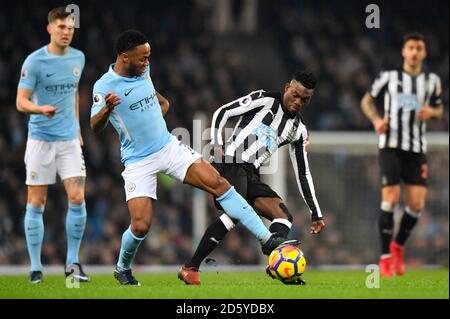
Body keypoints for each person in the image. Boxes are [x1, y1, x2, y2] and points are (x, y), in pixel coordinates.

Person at [90, 30, 296, 286]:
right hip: (138, 160)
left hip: (168, 147)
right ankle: (122, 268)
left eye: (148, 57)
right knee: (141, 226)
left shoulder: (144, 71)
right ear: (124, 57)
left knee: (220, 184)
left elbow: (158, 100)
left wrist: (158, 112)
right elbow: (94, 126)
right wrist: (108, 109)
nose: (146, 63)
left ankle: (267, 241)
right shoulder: (103, 86)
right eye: (142, 58)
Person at [178, 71, 326, 285]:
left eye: (305, 99)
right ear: (287, 88)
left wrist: (315, 212)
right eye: (295, 94)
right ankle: (191, 268)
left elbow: (303, 172)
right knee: (234, 215)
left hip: (251, 173)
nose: (298, 101)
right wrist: (218, 144)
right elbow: (223, 112)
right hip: (231, 162)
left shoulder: (299, 130)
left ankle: (277, 266)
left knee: (282, 215)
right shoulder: (264, 100)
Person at [16, 7, 90, 284]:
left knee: (78, 197)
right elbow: (20, 101)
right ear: (50, 29)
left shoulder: (78, 58)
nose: (66, 31)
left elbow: (73, 93)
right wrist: (39, 109)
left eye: (70, 27)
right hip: (40, 141)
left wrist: (79, 129)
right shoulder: (34, 62)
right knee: (37, 202)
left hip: (69, 140)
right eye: (61, 27)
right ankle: (36, 268)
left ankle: (72, 263)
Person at [361, 32, 444, 277]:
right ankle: (385, 257)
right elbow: (367, 101)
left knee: (417, 204)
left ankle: (398, 245)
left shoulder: (432, 82)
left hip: (416, 149)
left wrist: (431, 112)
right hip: (391, 146)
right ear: (404, 52)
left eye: (419, 48)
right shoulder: (388, 77)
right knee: (390, 199)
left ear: (424, 53)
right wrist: (376, 120)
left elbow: (439, 110)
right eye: (411, 47)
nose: (415, 52)